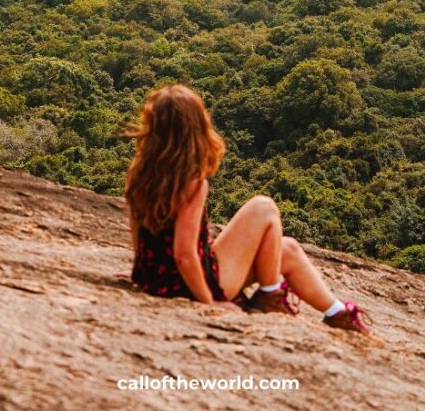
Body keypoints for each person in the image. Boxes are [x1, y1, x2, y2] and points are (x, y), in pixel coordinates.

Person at [125, 83, 372, 333]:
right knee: (264, 207)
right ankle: (271, 296)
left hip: (157, 275)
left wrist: (141, 274)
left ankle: (337, 313)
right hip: (189, 284)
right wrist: (210, 302)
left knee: (287, 249)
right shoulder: (191, 182)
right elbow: (184, 254)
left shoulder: (138, 169)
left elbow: (138, 227)